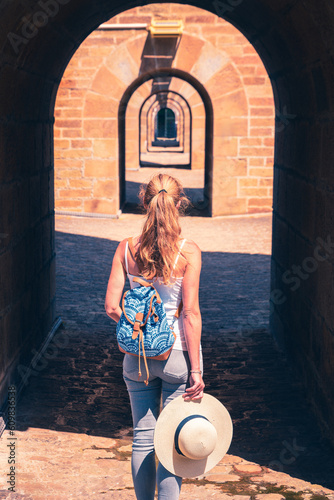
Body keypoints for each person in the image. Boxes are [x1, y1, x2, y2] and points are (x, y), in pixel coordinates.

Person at [105, 173, 204, 500]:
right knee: (173, 442)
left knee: (143, 440)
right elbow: (189, 314)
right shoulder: (188, 252)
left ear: (144, 202)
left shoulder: (126, 249)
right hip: (176, 356)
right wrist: (197, 370)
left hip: (137, 359)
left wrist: (140, 328)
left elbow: (111, 306)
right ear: (180, 204)